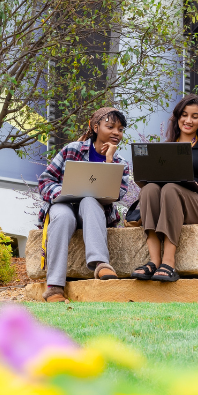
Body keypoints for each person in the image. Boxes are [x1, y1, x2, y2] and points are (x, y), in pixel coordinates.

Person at [36, 107, 133, 302]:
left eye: (120, 129)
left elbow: (118, 194)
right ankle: (54, 288)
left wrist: (109, 160)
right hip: (64, 205)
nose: (116, 132)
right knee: (62, 216)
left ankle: (101, 264)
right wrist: (64, 192)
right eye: (110, 126)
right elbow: (45, 181)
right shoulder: (72, 149)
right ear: (96, 127)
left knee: (89, 200)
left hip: (94, 212)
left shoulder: (119, 161)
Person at [130, 94, 198, 283]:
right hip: (169, 201)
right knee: (149, 190)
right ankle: (154, 261)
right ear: (178, 117)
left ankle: (169, 263)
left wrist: (197, 186)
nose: (188, 120)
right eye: (184, 115)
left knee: (172, 188)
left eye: (194, 116)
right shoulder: (166, 148)